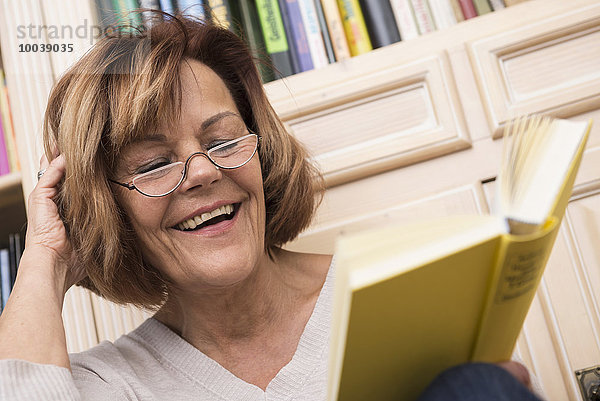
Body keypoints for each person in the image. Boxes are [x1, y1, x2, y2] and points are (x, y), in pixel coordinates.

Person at [0, 13, 542, 401]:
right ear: (107, 207)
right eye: (153, 164)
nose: (206, 172)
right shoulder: (109, 385)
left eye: (223, 140)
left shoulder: (403, 293)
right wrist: (45, 257)